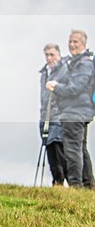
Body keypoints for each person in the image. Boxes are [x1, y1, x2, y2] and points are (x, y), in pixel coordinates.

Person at [46, 30, 95, 188]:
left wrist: (56, 87)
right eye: (70, 41)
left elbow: (74, 89)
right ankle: (88, 184)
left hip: (75, 112)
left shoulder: (83, 64)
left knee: (72, 149)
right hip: (78, 111)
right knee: (80, 148)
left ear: (84, 43)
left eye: (76, 41)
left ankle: (76, 185)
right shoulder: (77, 63)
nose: (72, 45)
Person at [38, 43, 66, 186]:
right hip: (45, 116)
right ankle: (57, 182)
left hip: (58, 116)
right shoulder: (45, 73)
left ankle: (69, 182)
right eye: (47, 55)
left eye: (52, 55)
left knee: (59, 148)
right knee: (50, 150)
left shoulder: (64, 69)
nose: (49, 58)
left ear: (58, 55)